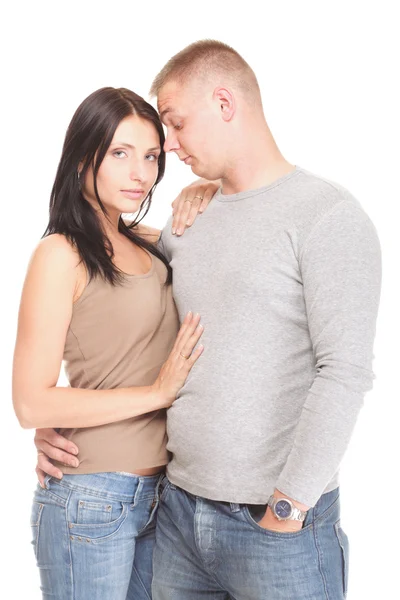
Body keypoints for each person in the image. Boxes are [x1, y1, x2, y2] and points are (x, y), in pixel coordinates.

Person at [34, 40, 382, 600]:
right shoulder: (187, 223)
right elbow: (114, 280)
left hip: (275, 527)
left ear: (224, 103)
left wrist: (288, 508)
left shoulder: (327, 215)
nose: (166, 149)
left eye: (174, 125)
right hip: (175, 518)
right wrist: (64, 422)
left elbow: (344, 372)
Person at [12, 86, 218, 600]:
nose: (140, 174)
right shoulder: (60, 254)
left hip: (164, 495)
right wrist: (157, 393)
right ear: (84, 156)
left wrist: (202, 188)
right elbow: (30, 401)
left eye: (150, 156)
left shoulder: (145, 241)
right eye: (120, 154)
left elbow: (229, 213)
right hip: (92, 495)